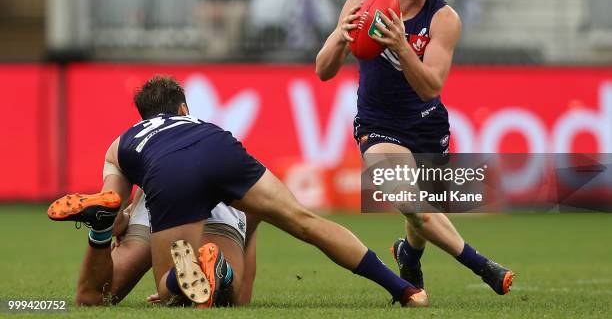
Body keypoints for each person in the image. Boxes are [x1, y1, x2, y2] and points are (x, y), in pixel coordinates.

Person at [48, 75, 428, 308]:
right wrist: (252, 224)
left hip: (164, 182)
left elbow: (114, 210)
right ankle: (404, 289)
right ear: (183, 107)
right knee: (304, 223)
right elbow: (255, 221)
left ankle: (184, 278)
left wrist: (111, 226)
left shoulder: (123, 142)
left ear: (142, 116)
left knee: (104, 296)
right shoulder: (201, 123)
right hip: (221, 154)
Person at [315, 0, 514, 305]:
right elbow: (323, 71)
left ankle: (410, 255)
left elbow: (430, 87)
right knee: (412, 203)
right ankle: (482, 265)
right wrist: (340, 35)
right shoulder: (361, 1)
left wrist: (402, 46)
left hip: (428, 126)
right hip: (378, 125)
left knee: (420, 217)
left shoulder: (444, 19)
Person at [80, 187, 257, 306]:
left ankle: (175, 283)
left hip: (155, 198)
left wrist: (125, 216)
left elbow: (117, 190)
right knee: (234, 298)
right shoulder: (228, 150)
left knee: (95, 296)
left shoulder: (131, 140)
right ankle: (220, 273)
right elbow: (258, 203)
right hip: (214, 198)